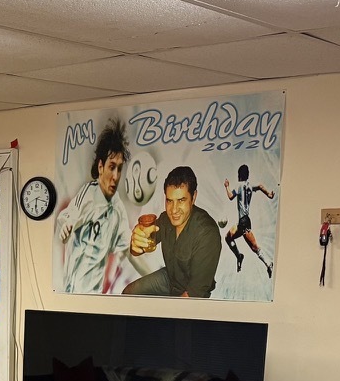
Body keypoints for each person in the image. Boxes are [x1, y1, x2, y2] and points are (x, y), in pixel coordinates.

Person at [122, 166, 222, 297]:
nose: (174, 210)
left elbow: (193, 294)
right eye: (169, 201)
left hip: (192, 293)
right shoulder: (165, 219)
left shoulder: (208, 233)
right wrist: (136, 242)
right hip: (170, 278)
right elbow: (137, 250)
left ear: (194, 197)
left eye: (181, 200)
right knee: (129, 293)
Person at [55, 122, 130, 294]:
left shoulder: (118, 208)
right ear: (101, 166)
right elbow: (68, 216)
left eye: (119, 168)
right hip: (73, 293)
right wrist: (66, 226)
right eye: (112, 167)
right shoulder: (88, 194)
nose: (116, 176)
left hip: (96, 299)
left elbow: (127, 248)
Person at [223, 164, 275, 276]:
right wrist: (269, 194)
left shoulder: (239, 185)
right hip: (243, 221)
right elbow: (260, 186)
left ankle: (268, 263)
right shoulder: (250, 186)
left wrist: (226, 186)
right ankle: (240, 256)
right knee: (228, 237)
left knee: (254, 247)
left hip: (243, 222)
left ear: (239, 175)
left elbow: (231, 196)